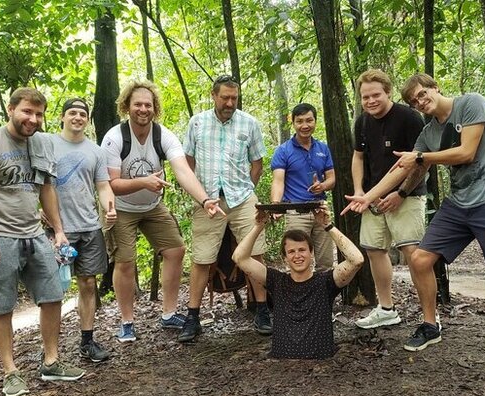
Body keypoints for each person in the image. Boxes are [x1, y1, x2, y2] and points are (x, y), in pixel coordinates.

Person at [345, 73, 485, 351]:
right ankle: (430, 325)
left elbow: (466, 153)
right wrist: (367, 197)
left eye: (423, 94)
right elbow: (402, 168)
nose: (421, 101)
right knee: (419, 260)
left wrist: (421, 157)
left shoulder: (471, 104)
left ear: (435, 87)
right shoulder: (429, 133)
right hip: (459, 205)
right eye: (415, 101)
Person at [0, 88, 85, 396]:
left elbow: (46, 189)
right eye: (27, 112)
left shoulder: (42, 143)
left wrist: (58, 231)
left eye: (39, 114)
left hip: (34, 233)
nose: (33, 119)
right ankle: (10, 371)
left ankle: (51, 362)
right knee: (2, 305)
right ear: (11, 109)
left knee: (52, 294)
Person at [101, 80, 223, 343]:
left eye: (148, 104)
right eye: (137, 105)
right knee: (125, 261)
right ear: (127, 107)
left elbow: (182, 171)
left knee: (176, 250)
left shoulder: (163, 135)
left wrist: (204, 200)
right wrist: (145, 181)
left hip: (152, 205)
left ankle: (168, 314)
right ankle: (126, 322)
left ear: (154, 108)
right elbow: (112, 184)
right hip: (120, 208)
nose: (143, 109)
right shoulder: (114, 138)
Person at [178, 75, 269, 343]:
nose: (230, 102)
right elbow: (187, 163)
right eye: (225, 97)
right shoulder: (197, 123)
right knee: (202, 258)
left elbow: (257, 163)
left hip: (242, 198)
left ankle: (262, 310)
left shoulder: (249, 123)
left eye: (234, 98)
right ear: (213, 95)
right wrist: (199, 195)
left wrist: (246, 190)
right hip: (207, 201)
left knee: (255, 253)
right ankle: (192, 316)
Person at [232, 205, 364, 359]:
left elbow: (356, 260)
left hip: (322, 365)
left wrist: (327, 225)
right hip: (281, 367)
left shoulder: (326, 282)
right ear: (284, 257)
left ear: (311, 253)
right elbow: (239, 258)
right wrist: (258, 226)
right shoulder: (276, 281)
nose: (297, 255)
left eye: (302, 250)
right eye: (291, 251)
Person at [350, 69, 427, 330]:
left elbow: (421, 162)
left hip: (407, 195)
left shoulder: (409, 117)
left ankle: (430, 315)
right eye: (365, 97)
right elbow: (358, 156)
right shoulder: (362, 122)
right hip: (372, 197)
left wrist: (402, 193)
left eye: (375, 95)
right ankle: (386, 308)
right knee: (374, 249)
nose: (370, 101)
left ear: (388, 92)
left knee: (413, 253)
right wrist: (360, 190)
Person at [48, 98, 117, 362]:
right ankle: (51, 350)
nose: (77, 117)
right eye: (72, 113)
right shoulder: (48, 144)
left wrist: (109, 207)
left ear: (87, 120)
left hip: (88, 226)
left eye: (82, 114)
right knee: (53, 288)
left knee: (88, 284)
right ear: (62, 117)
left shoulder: (96, 151)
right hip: (58, 229)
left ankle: (87, 341)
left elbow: (102, 186)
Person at [270, 103, 336, 271]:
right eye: (300, 121)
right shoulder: (283, 151)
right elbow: (278, 181)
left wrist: (322, 186)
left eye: (309, 120)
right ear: (293, 123)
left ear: (315, 121)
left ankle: (324, 297)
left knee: (326, 263)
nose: (305, 125)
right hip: (296, 212)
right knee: (296, 260)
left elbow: (332, 179)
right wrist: (276, 206)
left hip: (321, 210)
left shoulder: (323, 148)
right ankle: (297, 296)